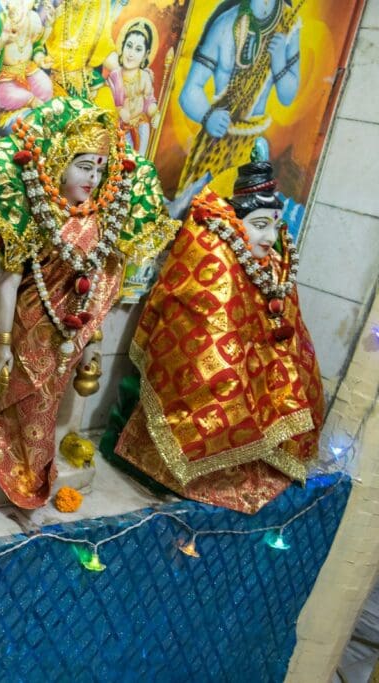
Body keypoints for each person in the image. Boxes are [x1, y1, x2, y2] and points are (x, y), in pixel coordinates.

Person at [0, 98, 178, 508]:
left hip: (69, 333)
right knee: (11, 392)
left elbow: (98, 288)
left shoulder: (99, 221)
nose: (92, 177)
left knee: (48, 396)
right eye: (83, 166)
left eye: (99, 168)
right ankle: (0, 456)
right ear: (58, 162)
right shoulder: (38, 212)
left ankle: (30, 463)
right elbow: (9, 279)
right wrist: (3, 344)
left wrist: (92, 342)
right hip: (28, 320)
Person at [111, 156, 322, 514]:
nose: (269, 237)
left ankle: (250, 454)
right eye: (258, 225)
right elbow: (204, 324)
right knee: (218, 377)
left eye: (273, 225)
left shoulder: (274, 264)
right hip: (216, 372)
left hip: (260, 368)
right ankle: (191, 461)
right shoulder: (212, 252)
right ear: (236, 224)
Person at [177, 0, 300, 194]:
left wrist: (279, 63)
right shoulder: (225, 23)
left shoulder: (288, 25)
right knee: (201, 212)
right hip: (216, 145)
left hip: (253, 147)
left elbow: (287, 96)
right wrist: (208, 117)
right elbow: (190, 91)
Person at [114, 18, 159, 157]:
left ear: (146, 54)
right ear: (122, 46)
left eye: (138, 49)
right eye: (129, 46)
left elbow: (149, 102)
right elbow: (111, 102)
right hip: (119, 128)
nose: (131, 53)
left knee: (136, 162)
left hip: (140, 127)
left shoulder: (144, 77)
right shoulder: (115, 75)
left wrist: (155, 114)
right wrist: (120, 110)